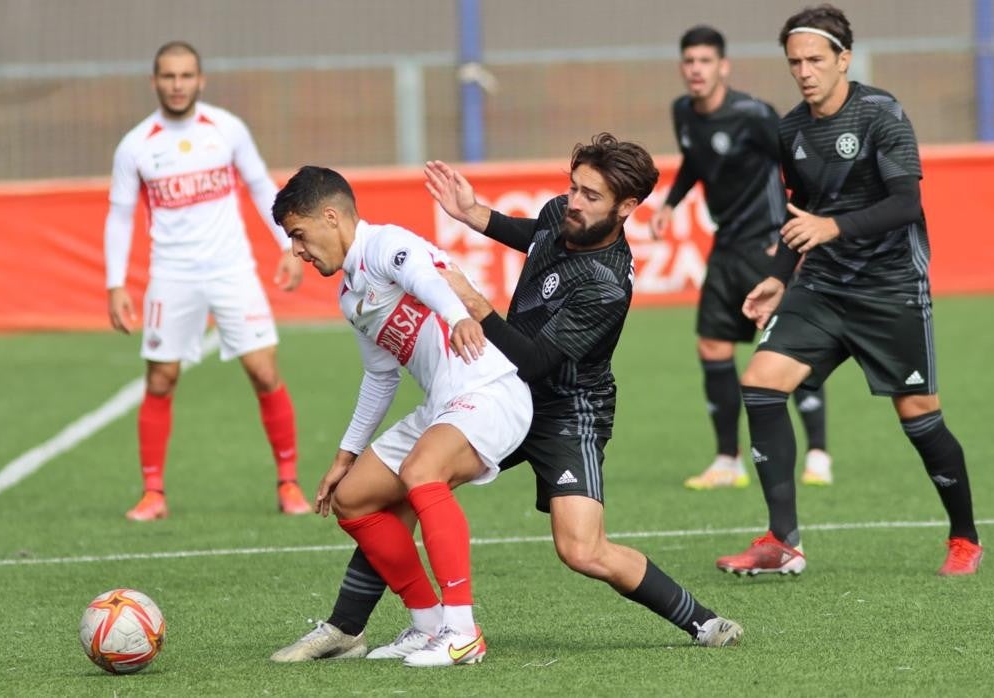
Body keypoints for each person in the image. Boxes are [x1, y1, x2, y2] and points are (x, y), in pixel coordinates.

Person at [273, 134, 743, 662]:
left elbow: (537, 362)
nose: (574, 201)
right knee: (392, 490)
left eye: (591, 195)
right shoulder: (561, 215)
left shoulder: (606, 285)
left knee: (581, 549)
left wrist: (471, 305)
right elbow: (536, 233)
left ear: (625, 208)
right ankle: (357, 626)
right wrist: (477, 215)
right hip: (497, 381)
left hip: (567, 410)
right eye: (573, 187)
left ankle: (701, 620)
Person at [714, 4, 982, 577]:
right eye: (795, 62)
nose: (805, 71)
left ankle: (964, 538)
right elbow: (801, 214)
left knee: (919, 417)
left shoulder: (881, 113)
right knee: (760, 383)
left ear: (843, 59)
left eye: (815, 59)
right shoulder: (790, 130)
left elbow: (906, 202)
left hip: (890, 289)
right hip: (823, 287)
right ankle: (782, 541)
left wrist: (831, 228)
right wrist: (777, 278)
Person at [267, 166, 533, 667]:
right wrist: (344, 456)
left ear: (331, 217)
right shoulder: (350, 295)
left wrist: (457, 317)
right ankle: (428, 623)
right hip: (443, 405)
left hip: (490, 390)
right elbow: (380, 378)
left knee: (420, 472)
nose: (297, 251)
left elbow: (423, 277)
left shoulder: (384, 244)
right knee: (353, 500)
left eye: (298, 235)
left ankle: (462, 632)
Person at [104, 41, 312, 520]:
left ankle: (289, 484)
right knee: (161, 378)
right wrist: (115, 283)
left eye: (185, 76)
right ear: (154, 81)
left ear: (201, 80)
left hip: (232, 268)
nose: (177, 85)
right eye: (168, 76)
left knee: (264, 371)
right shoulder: (135, 145)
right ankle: (153, 493)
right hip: (171, 274)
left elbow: (262, 186)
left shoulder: (227, 129)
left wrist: (288, 244)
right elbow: (119, 216)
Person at [650, 25, 833, 490]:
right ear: (682, 68)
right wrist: (670, 205)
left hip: (768, 248)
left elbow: (798, 162)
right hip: (726, 248)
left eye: (706, 61)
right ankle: (728, 461)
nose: (697, 69)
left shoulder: (753, 115)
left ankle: (817, 453)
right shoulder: (683, 113)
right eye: (689, 61)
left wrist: (789, 232)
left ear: (723, 67)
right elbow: (694, 161)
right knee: (712, 346)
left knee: (787, 348)